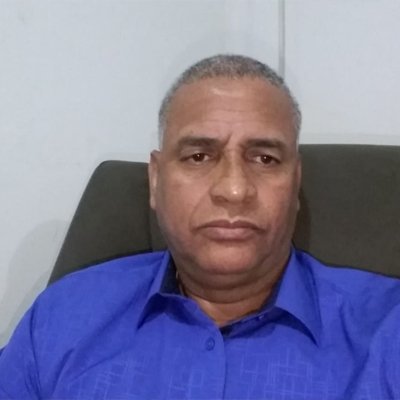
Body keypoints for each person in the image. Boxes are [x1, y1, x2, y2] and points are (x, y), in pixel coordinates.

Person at [0, 54, 399, 399]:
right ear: (155, 180)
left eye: (265, 159)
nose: (234, 190)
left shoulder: (386, 333)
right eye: (198, 156)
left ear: (296, 183)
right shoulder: (62, 318)